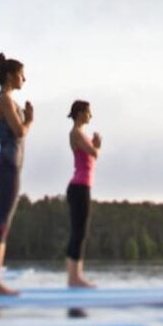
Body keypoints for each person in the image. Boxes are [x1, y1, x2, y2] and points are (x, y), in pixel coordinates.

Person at [0, 53, 33, 295]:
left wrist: (25, 118)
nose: (24, 78)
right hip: (7, 165)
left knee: (3, 223)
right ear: (9, 75)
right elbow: (19, 131)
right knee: (1, 224)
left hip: (9, 165)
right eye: (21, 74)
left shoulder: (9, 100)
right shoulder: (5, 100)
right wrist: (30, 120)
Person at [65, 101, 101, 288]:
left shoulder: (81, 135)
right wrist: (97, 146)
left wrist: (94, 146)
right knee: (79, 232)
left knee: (81, 232)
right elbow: (94, 153)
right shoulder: (76, 133)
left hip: (82, 186)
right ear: (79, 113)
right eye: (88, 112)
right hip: (79, 187)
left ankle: (75, 276)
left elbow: (91, 153)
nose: (90, 116)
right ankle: (74, 278)